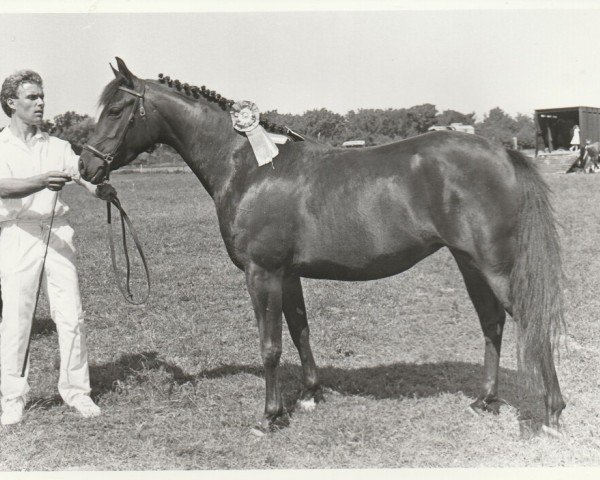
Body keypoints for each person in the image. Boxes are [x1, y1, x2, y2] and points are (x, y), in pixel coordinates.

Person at [0, 69, 115, 426]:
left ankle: (77, 391)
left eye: (41, 96)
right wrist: (39, 181)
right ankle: (13, 397)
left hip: (58, 234)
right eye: (32, 97)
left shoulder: (58, 146)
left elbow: (82, 178)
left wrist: (101, 190)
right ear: (10, 103)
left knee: (71, 316)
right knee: (17, 319)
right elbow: (2, 187)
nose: (40, 102)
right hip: (17, 234)